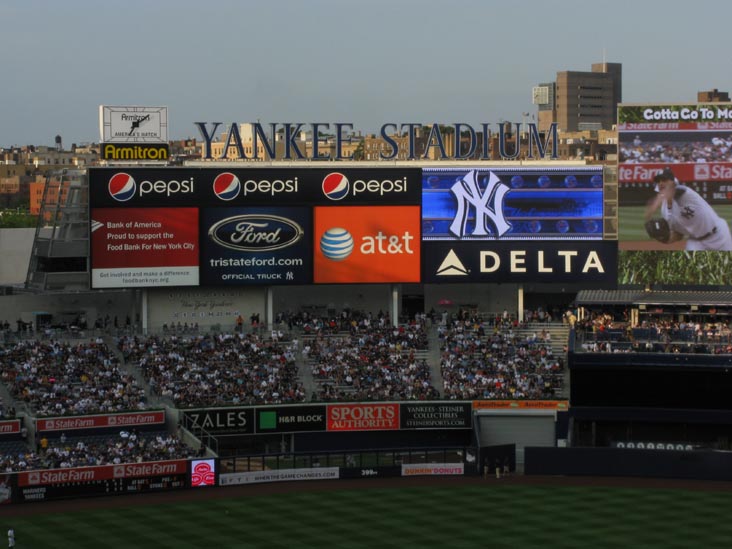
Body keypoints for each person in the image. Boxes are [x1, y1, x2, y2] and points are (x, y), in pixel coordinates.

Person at [645, 168, 732, 251]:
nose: (660, 183)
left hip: (719, 235)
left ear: (673, 182)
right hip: (696, 242)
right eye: (658, 181)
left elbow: (676, 191)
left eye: (664, 180)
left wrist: (659, 199)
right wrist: (664, 238)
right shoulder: (665, 212)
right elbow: (679, 235)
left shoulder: (686, 194)